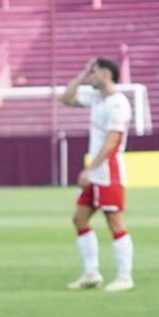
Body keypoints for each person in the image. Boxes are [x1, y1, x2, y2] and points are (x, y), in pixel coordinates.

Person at [60, 57, 135, 292]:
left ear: (105, 74)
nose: (91, 77)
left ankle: (125, 277)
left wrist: (90, 169)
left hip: (109, 173)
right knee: (79, 219)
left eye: (94, 73)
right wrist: (82, 74)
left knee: (115, 222)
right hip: (95, 174)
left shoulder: (118, 103)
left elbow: (113, 140)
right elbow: (66, 98)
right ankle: (91, 273)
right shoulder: (97, 99)